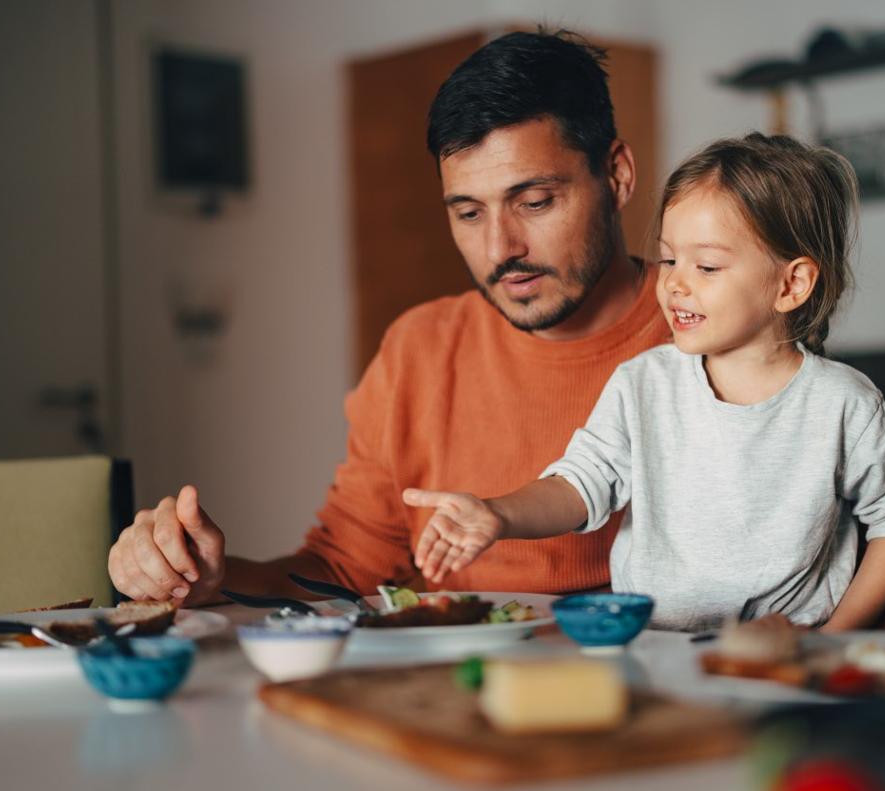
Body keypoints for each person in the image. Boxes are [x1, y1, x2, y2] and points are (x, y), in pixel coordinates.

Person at [108, 29, 669, 605]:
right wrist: (202, 577)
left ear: (617, 175)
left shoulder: (712, 331)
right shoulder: (420, 349)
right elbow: (338, 570)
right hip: (462, 683)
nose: (501, 248)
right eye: (470, 212)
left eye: (534, 202)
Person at [404, 134, 885, 632]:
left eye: (705, 266)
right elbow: (578, 486)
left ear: (791, 283)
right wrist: (497, 513)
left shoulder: (844, 404)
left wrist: (833, 637)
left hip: (787, 656)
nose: (674, 282)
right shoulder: (643, 385)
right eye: (668, 258)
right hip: (658, 650)